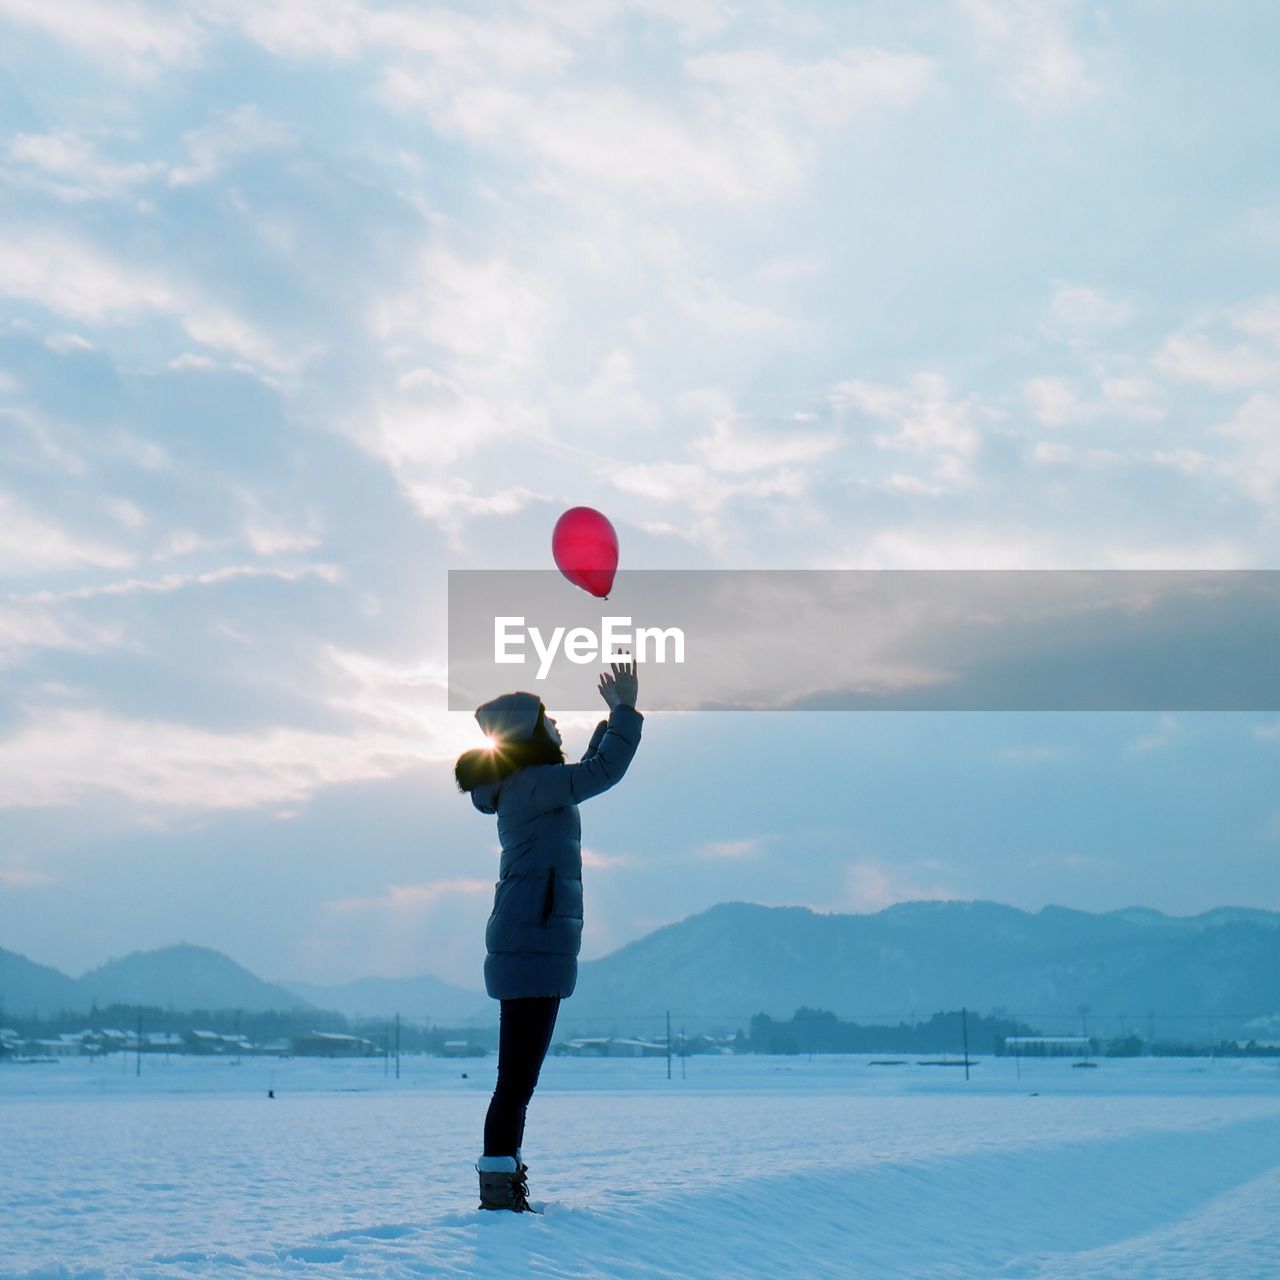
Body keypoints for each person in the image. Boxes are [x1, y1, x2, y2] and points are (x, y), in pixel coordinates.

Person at [453, 656, 642, 1213]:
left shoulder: (531, 784)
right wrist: (625, 710)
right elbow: (602, 773)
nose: (556, 723)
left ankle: (503, 1184)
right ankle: (499, 1194)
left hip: (528, 945)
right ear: (529, 733)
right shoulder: (533, 785)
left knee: (516, 1083)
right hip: (530, 946)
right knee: (515, 1084)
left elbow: (586, 769)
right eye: (547, 718)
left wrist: (610, 721)